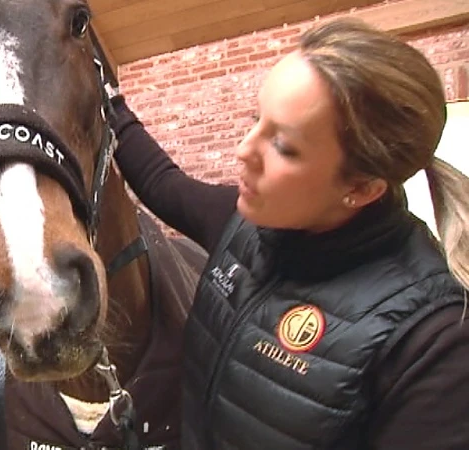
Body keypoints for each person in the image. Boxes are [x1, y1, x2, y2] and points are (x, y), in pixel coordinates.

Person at [107, 17, 469, 450]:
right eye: (256, 119)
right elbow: (163, 183)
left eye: (283, 146)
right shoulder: (244, 226)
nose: (244, 150)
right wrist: (104, 94)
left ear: (361, 188)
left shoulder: (434, 341)